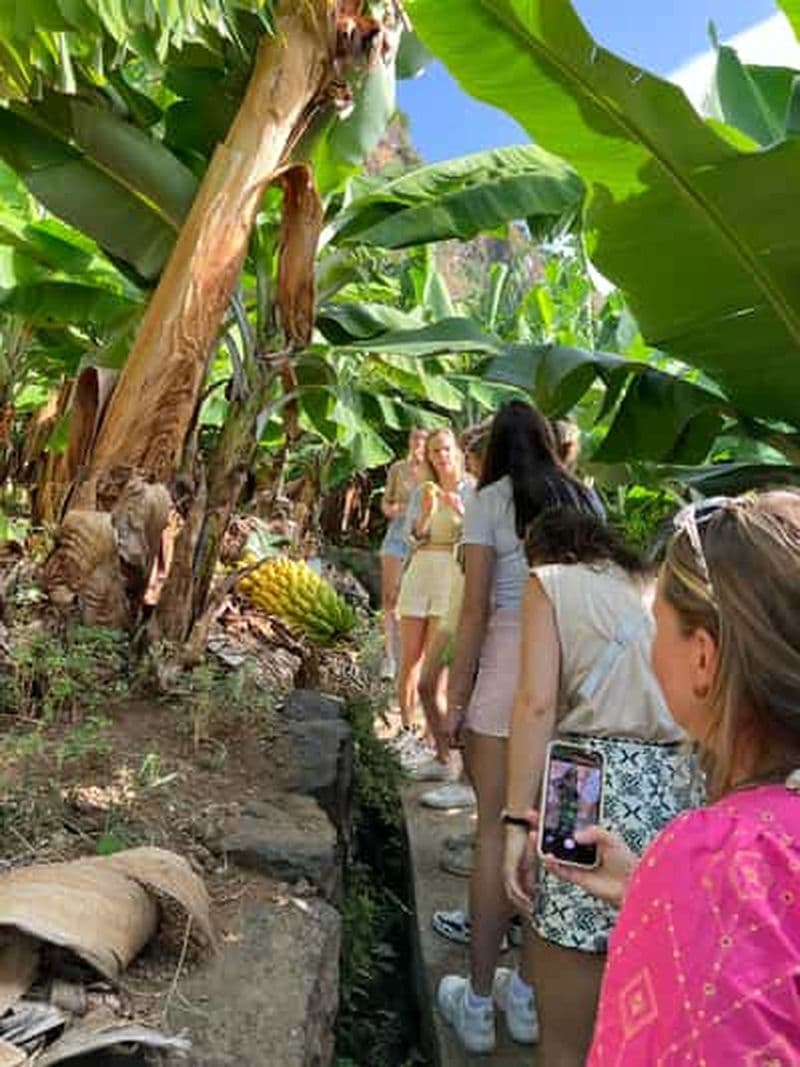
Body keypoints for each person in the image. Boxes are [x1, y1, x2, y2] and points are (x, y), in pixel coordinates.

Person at [528, 491, 800, 1063]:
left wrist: (675, 881)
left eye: (658, 628)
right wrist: (643, 887)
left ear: (704, 658)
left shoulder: (712, 852)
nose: (651, 650)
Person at [502, 508, 702, 1066]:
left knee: (566, 1033)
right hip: (677, 782)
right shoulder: (651, 586)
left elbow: (536, 703)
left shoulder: (551, 584)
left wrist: (517, 819)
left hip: (579, 782)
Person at [436, 400, 603, 1055]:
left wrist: (455, 697)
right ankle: (531, 998)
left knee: (491, 834)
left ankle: (478, 1004)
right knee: (558, 843)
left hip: (507, 675)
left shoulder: (489, 501)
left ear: (496, 449)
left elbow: (475, 608)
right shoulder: (588, 500)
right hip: (575, 689)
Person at [394, 428, 470, 763]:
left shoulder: (472, 488)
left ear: (457, 451)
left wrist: (461, 511)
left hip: (451, 574)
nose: (441, 456)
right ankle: (408, 728)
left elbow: (478, 539)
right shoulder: (424, 489)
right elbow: (411, 537)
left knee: (436, 662)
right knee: (409, 655)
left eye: (446, 450)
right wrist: (425, 513)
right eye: (435, 451)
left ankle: (432, 738)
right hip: (421, 569)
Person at [379, 428, 427, 681]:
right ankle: (389, 658)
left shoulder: (435, 470)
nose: (418, 443)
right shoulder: (398, 468)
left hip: (422, 539)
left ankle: (412, 659)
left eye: (423, 438)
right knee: (390, 596)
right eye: (414, 438)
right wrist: (391, 509)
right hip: (397, 534)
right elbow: (385, 501)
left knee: (415, 601)